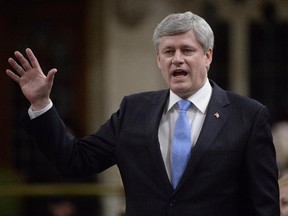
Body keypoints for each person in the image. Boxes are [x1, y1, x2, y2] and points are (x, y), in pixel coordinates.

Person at [6, 11, 280, 215]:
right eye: (168, 51)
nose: (177, 59)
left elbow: (264, 207)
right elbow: (73, 160)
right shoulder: (133, 111)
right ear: (158, 59)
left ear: (208, 56)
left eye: (187, 50)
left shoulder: (248, 116)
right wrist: (41, 104)